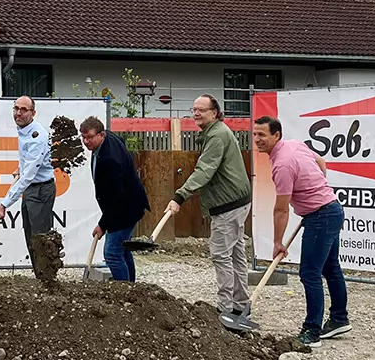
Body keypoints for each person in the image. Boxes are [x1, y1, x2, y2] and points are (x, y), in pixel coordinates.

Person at [252, 115, 351, 348]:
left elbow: (281, 210)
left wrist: (277, 242)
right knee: (330, 267)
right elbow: (321, 163)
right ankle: (339, 318)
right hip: (332, 209)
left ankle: (312, 331)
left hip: (321, 216)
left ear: (276, 135)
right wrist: (317, 188)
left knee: (309, 273)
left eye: (262, 135)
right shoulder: (296, 144)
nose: (257, 139)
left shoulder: (282, 165)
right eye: (255, 134)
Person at [165, 95, 252, 321]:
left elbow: (205, 170)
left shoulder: (217, 135)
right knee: (235, 254)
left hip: (228, 204)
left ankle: (227, 309)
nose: (196, 114)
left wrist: (180, 196)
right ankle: (240, 304)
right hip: (235, 200)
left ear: (214, 112)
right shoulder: (214, 133)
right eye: (193, 109)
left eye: (201, 110)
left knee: (221, 254)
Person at [80, 116, 149, 281]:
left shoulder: (109, 160)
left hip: (125, 208)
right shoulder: (109, 138)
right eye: (83, 137)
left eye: (89, 137)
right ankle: (131, 288)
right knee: (122, 248)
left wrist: (102, 225)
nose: (85, 141)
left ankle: (124, 291)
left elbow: (115, 198)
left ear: (101, 135)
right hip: (128, 202)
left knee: (111, 253)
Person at [0, 95, 55, 272]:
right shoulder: (24, 130)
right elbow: (29, 163)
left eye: (23, 110)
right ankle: (40, 277)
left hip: (41, 190)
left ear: (33, 113)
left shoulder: (37, 136)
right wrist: (21, 166)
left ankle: (47, 282)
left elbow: (28, 176)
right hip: (31, 189)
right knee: (30, 237)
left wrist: (4, 204)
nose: (18, 113)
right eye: (16, 109)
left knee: (40, 239)